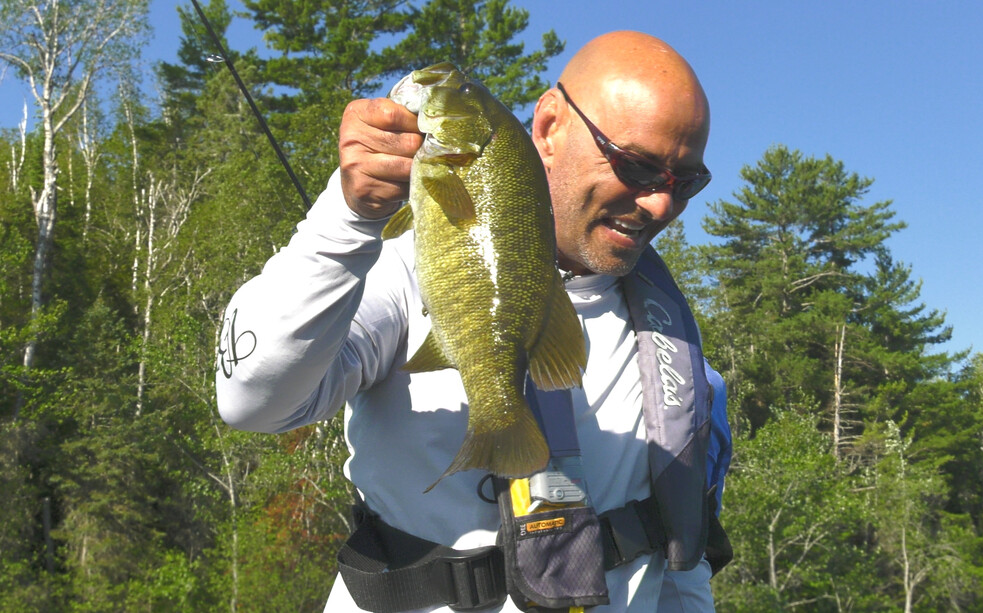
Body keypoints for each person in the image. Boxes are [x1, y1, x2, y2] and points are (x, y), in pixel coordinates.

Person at [216, 30, 731, 612]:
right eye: (637, 166)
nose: (662, 203)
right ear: (549, 126)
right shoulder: (411, 267)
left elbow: (683, 567)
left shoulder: (674, 352)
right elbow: (252, 401)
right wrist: (347, 216)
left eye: (685, 181)